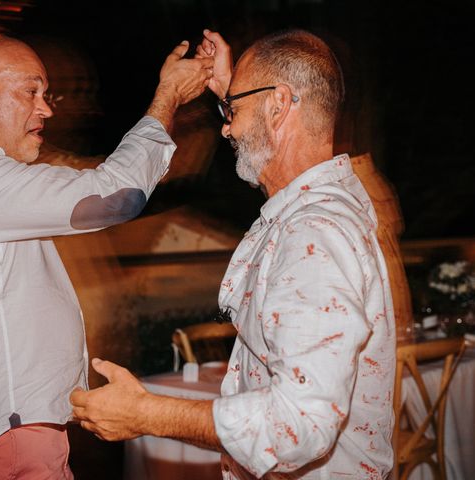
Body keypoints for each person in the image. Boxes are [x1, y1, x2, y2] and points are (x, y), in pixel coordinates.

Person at [71, 28, 396, 479]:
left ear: (279, 105)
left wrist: (147, 414)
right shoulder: (328, 202)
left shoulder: (313, 233)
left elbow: (297, 426)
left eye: (232, 111)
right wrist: (236, 91)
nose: (226, 126)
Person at [0, 34, 213, 479]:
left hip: (12, 433)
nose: (47, 109)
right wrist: (167, 98)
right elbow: (114, 196)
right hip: (0, 439)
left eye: (48, 94)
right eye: (30, 91)